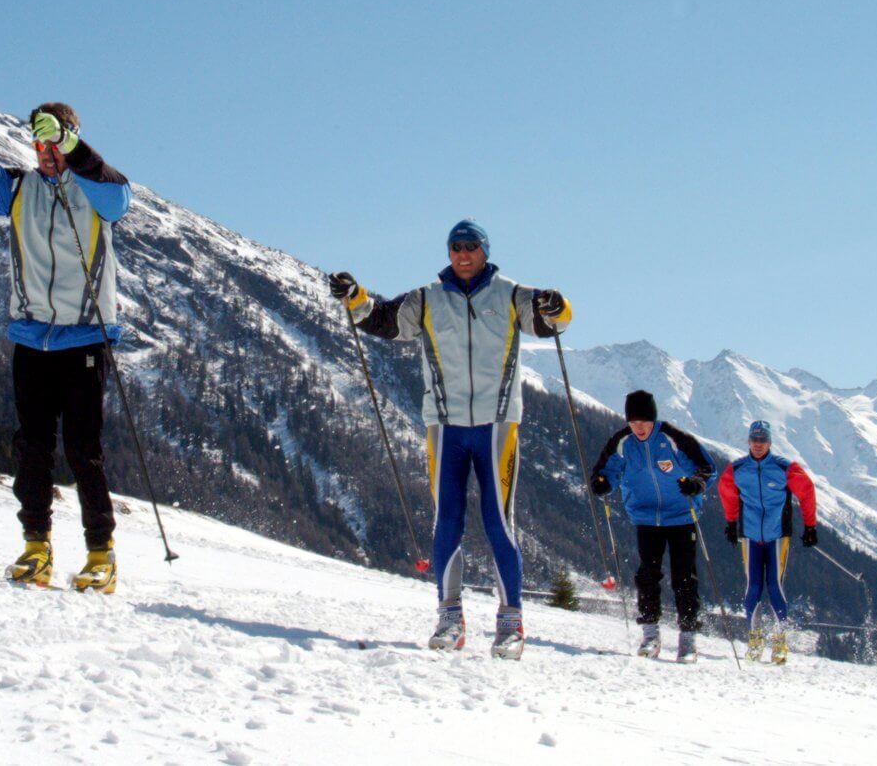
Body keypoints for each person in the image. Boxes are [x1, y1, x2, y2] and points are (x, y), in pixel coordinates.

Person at [328, 220, 571, 660]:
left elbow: (553, 322)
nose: (462, 254)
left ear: (484, 250)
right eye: (455, 247)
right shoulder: (427, 299)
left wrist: (557, 306)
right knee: (447, 522)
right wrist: (355, 298)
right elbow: (383, 320)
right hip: (445, 425)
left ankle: (511, 622)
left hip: (498, 425)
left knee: (499, 521)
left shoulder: (512, 294)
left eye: (470, 247)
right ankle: (449, 617)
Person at [0, 87, 133, 592]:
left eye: (54, 144)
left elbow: (120, 197)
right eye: (39, 145)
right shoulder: (20, 189)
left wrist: (75, 150)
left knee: (84, 451)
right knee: (32, 448)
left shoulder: (93, 190)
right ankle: (36, 546)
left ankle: (100, 553)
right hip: (31, 340)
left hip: (84, 339)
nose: (45, 154)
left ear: (69, 140)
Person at [588, 390, 716, 662]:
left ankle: (688, 639)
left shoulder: (672, 438)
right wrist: (601, 483)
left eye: (644, 422)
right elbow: (605, 470)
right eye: (634, 422)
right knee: (647, 575)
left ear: (653, 419)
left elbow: (706, 467)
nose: (639, 428)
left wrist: (696, 484)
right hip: (646, 517)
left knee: (684, 577)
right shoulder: (622, 442)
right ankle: (650, 635)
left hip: (681, 515)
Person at [717, 420, 819, 664]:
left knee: (774, 587)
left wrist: (810, 526)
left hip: (777, 536)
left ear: (770, 442)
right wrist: (731, 523)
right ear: (749, 441)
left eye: (763, 440)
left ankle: (780, 642)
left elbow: (806, 491)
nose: (758, 444)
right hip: (750, 536)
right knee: (753, 587)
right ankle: (754, 640)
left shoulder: (785, 468)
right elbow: (727, 493)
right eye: (755, 440)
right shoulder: (738, 468)